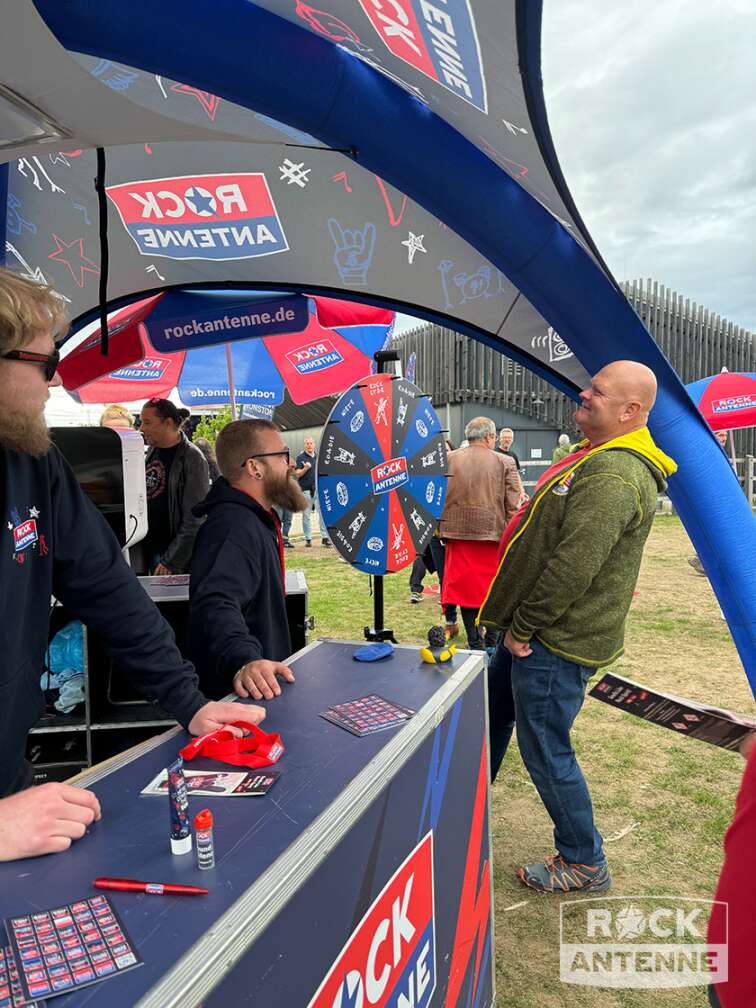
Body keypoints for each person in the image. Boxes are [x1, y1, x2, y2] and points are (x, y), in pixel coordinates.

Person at [0, 268, 264, 863]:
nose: (56, 381)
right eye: (44, 364)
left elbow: (106, 586)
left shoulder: (33, 460)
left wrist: (189, 702)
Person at [480, 360, 677, 894]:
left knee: (545, 748)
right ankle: (465, 813)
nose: (584, 394)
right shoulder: (597, 458)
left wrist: (523, 627)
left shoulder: (614, 473)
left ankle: (584, 859)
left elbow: (572, 566)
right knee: (493, 717)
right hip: (536, 637)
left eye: (599, 391)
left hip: (552, 642)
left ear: (630, 411)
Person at [188, 419, 310, 702]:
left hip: (263, 685)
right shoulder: (232, 527)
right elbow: (215, 602)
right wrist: (245, 661)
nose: (289, 465)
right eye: (282, 456)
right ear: (254, 467)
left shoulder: (254, 518)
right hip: (240, 696)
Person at [439, 417, 522, 649]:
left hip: (456, 537)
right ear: (489, 437)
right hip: (492, 539)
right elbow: (513, 506)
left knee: (465, 594)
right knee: (493, 592)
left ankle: (475, 641)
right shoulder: (505, 461)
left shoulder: (448, 459)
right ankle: (492, 642)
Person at [139, 398, 209, 574]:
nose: (141, 428)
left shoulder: (193, 458)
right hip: (150, 548)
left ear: (168, 423)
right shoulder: (152, 452)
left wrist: (172, 560)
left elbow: (196, 517)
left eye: (147, 422)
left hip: (172, 556)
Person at [689, 429, 735, 576]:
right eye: (720, 435)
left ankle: (702, 560)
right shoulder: (706, 452)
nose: (724, 438)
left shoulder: (719, 453)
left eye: (725, 436)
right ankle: (703, 560)